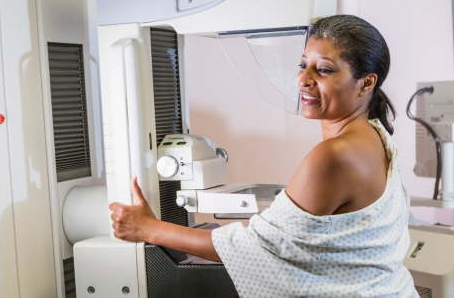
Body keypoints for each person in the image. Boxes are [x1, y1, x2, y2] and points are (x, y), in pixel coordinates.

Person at [110, 15, 419, 297]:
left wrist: (148, 228)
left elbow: (257, 250)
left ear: (366, 82)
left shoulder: (335, 155)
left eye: (323, 70)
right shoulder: (377, 136)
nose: (303, 80)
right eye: (302, 65)